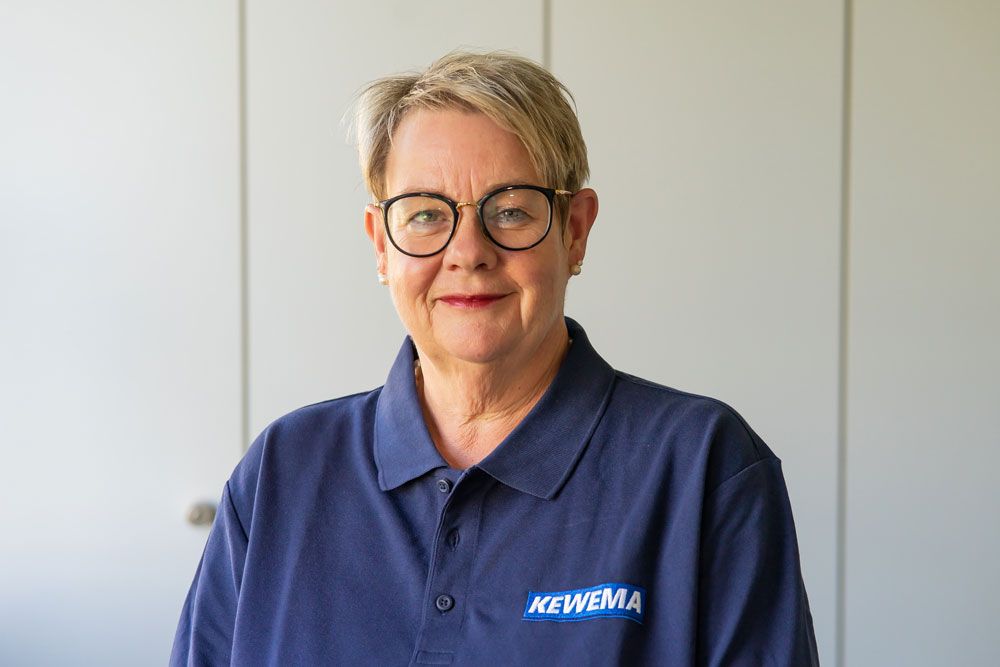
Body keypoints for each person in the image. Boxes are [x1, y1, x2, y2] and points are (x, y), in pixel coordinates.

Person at [171, 51, 819, 666]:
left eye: (509, 211)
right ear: (380, 244)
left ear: (575, 230)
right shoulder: (283, 470)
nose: (468, 251)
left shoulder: (704, 467)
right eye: (425, 214)